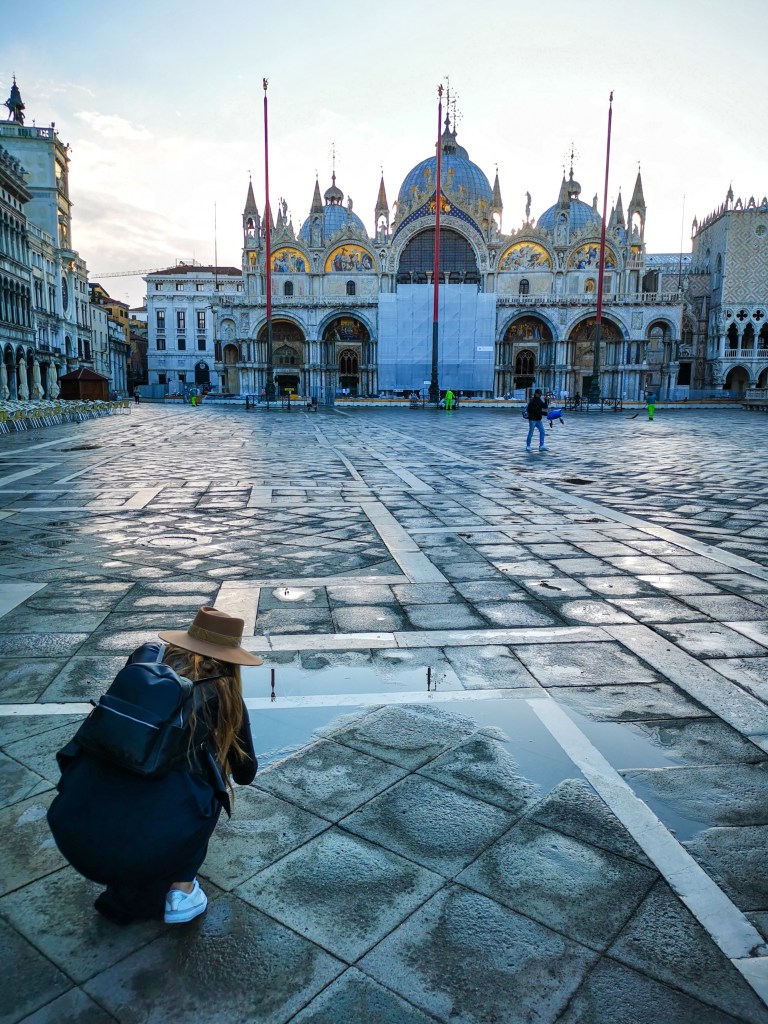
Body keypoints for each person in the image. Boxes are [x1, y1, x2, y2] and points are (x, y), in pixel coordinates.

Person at [47, 607, 262, 926]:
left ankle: (136, 872)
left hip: (73, 826)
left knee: (134, 770)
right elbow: (245, 774)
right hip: (145, 846)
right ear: (230, 658)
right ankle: (181, 890)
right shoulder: (221, 692)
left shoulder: (142, 664)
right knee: (210, 786)